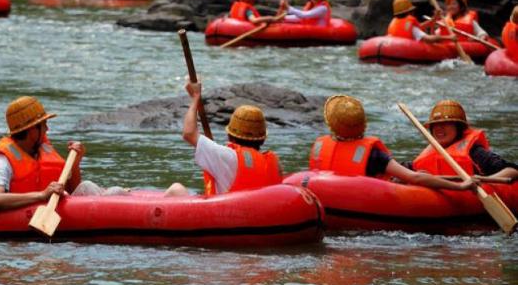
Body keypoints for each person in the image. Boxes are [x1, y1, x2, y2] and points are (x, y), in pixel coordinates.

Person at [308, 95, 475, 190]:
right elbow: (415, 178)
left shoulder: (319, 146)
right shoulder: (374, 155)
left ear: (331, 125)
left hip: (334, 202)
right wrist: (461, 187)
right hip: (360, 203)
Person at [165, 79, 282, 197]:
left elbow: (188, 133)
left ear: (230, 135)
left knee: (176, 189)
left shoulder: (226, 156)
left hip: (223, 213)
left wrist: (195, 97)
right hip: (256, 213)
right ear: (262, 139)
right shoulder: (274, 164)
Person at [0, 96, 85, 210]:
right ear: (32, 130)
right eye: (44, 124)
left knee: (87, 186)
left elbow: (72, 190)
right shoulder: (3, 162)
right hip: (21, 218)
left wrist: (75, 164)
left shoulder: (42, 149)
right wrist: (42, 195)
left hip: (55, 209)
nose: (47, 129)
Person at [409, 100, 518, 180]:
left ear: (458, 127)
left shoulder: (475, 152)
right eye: (435, 124)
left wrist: (483, 181)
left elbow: (513, 170)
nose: (439, 128)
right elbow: (406, 168)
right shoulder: (430, 152)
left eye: (446, 123)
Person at [387, 0, 455, 43]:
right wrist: (449, 37)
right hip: (406, 51)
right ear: (410, 12)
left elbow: (420, 26)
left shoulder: (396, 22)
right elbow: (429, 39)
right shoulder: (413, 28)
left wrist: (434, 18)